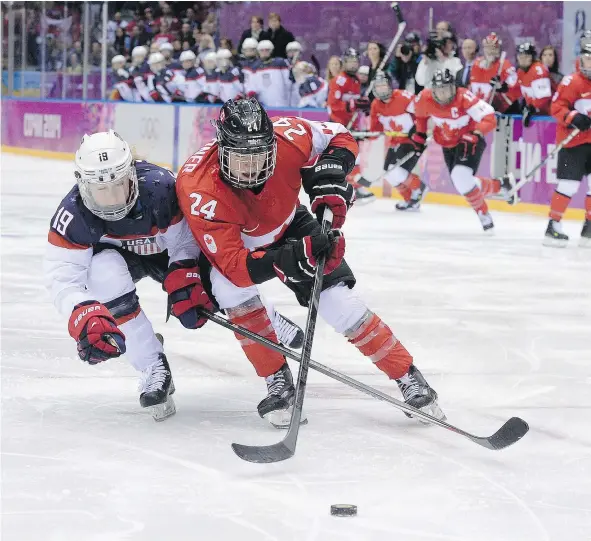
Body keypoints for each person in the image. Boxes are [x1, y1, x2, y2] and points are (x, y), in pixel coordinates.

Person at [175, 97, 446, 426]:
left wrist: (331, 171)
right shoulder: (198, 186)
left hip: (291, 223)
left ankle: (408, 376)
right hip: (240, 246)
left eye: (260, 155)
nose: (252, 167)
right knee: (231, 290)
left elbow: (340, 135)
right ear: (221, 149)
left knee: (338, 302)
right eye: (242, 158)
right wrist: (283, 261)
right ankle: (278, 381)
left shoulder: (289, 134)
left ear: (273, 145)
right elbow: (235, 266)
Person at [43, 130, 305, 422]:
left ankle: (271, 336)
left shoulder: (160, 188)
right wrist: (82, 313)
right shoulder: (72, 215)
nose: (112, 201)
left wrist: (186, 272)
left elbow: (189, 239)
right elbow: (62, 277)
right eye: (100, 190)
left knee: (222, 286)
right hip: (121, 262)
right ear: (82, 184)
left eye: (118, 186)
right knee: (102, 274)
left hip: (170, 252)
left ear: (132, 172)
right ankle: (152, 366)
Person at [413, 69, 514, 232]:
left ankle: (483, 213)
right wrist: (420, 134)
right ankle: (501, 185)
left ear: (454, 87)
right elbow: (421, 116)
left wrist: (476, 132)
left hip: (470, 141)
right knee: (463, 183)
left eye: (447, 88)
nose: (444, 93)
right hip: (448, 144)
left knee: (461, 178)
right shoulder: (424, 98)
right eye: (439, 89)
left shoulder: (464, 97)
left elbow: (489, 117)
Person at [544, 43, 591, 247]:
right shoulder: (571, 81)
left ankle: (589, 227)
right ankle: (553, 226)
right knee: (568, 185)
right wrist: (573, 116)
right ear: (581, 60)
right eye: (588, 58)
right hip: (573, 143)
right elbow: (556, 106)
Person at [370, 71, 428, 210]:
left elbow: (423, 113)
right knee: (388, 175)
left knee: (395, 171)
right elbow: (375, 131)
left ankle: (419, 187)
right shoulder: (376, 105)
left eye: (384, 85)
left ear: (390, 86)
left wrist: (420, 132)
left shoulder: (404, 97)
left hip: (412, 140)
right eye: (378, 86)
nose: (381, 89)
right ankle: (410, 201)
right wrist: (364, 135)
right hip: (395, 142)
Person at [326, 48, 374, 204]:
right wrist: (352, 104)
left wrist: (364, 106)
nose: (353, 65)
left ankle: (354, 188)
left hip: (353, 125)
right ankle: (349, 188)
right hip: (340, 126)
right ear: (344, 63)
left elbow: (356, 104)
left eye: (355, 61)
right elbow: (333, 105)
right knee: (348, 157)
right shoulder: (338, 80)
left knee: (355, 157)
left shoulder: (356, 81)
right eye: (350, 61)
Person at [469, 33, 520, 113]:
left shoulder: (505, 66)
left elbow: (515, 89)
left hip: (502, 111)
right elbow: (472, 88)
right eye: (488, 48)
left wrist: (502, 87)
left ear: (498, 49)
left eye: (493, 48)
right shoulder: (476, 64)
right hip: (480, 111)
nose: (490, 51)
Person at [516, 42, 552, 127]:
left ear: (532, 57)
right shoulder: (520, 71)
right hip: (534, 116)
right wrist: (503, 87)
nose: (523, 59)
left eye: (526, 56)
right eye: (520, 56)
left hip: (548, 117)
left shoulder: (539, 70)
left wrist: (531, 109)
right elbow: (515, 91)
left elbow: (544, 98)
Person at [248, 40, 291, 107]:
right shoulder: (255, 66)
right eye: (262, 50)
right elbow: (252, 85)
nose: (264, 52)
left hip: (281, 101)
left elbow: (288, 82)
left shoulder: (280, 62)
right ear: (258, 52)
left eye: (267, 50)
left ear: (271, 51)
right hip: (263, 103)